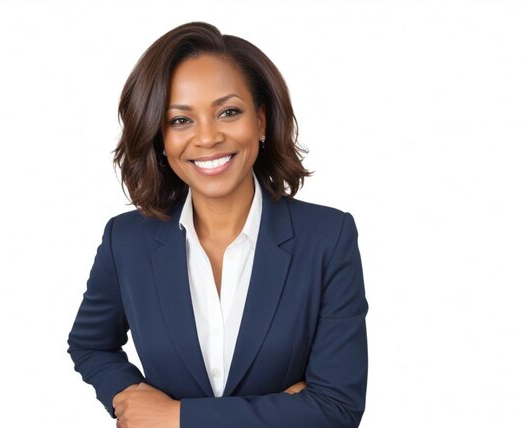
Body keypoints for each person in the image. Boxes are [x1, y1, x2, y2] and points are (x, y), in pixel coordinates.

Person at [67, 21, 368, 428]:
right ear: (159, 138)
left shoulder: (328, 239)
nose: (207, 138)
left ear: (261, 122)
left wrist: (176, 417)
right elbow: (89, 344)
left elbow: (336, 408)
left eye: (228, 112)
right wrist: (130, 399)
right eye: (180, 120)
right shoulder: (126, 241)